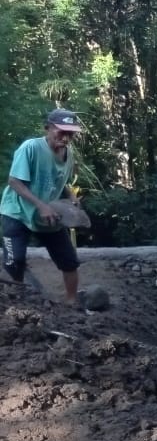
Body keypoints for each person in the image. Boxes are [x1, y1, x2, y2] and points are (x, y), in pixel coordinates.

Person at [1, 109, 86, 304]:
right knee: (14, 262)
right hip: (17, 212)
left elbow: (58, 180)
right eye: (61, 131)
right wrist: (41, 205)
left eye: (70, 133)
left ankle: (71, 301)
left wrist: (71, 195)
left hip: (48, 214)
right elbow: (14, 181)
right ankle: (19, 301)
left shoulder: (68, 154)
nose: (66, 138)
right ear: (48, 128)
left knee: (69, 261)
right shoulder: (30, 148)